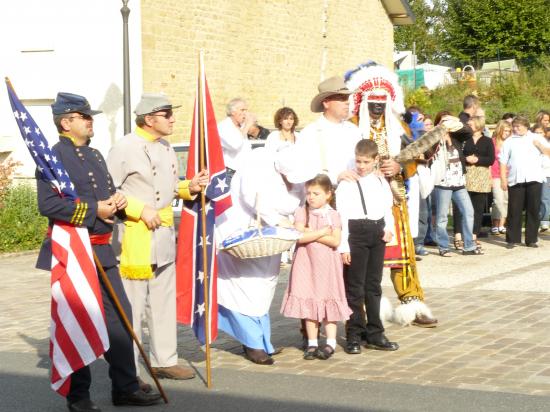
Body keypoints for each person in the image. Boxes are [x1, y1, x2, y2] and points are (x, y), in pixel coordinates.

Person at [36, 92, 161, 412]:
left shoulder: (94, 155)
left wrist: (116, 204)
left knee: (120, 317)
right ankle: (79, 396)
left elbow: (106, 198)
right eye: (84, 116)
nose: (91, 121)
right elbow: (49, 205)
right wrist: (96, 209)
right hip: (75, 254)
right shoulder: (51, 158)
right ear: (66, 122)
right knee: (77, 319)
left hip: (102, 251)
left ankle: (126, 387)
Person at [107, 94, 208, 383]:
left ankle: (164, 360)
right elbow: (108, 191)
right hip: (134, 238)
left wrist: (191, 186)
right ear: (149, 119)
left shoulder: (164, 147)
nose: (172, 119)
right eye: (167, 114)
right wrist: (140, 210)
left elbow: (168, 189)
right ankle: (130, 370)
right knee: (133, 307)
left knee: (163, 303)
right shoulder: (124, 148)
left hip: (163, 235)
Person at [345, 62, 437, 327]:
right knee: (363, 255)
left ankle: (412, 302)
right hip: (361, 202)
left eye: (382, 102)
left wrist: (399, 166)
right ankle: (366, 306)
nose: (377, 108)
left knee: (404, 252)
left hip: (395, 200)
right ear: (362, 102)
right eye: (372, 102)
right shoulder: (351, 127)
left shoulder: (399, 128)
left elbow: (415, 157)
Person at [216, 147, 310, 365]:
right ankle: (252, 343)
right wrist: (277, 221)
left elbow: (298, 200)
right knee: (244, 288)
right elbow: (252, 198)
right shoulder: (256, 162)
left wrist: (292, 223)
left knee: (264, 287)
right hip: (243, 233)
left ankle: (262, 339)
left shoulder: (296, 174)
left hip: (270, 240)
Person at [336, 139, 398, 354]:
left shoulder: (380, 181)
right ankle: (354, 334)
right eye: (358, 161)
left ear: (375, 160)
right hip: (356, 233)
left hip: (377, 231)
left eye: (365, 162)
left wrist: (389, 228)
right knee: (355, 287)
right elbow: (341, 217)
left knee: (373, 285)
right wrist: (344, 246)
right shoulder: (347, 183)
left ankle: (375, 332)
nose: (361, 166)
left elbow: (388, 207)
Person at [280, 174, 351, 360]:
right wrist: (319, 232)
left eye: (316, 193)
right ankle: (312, 342)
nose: (311, 197)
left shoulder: (333, 215)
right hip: (306, 262)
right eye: (309, 193)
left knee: (328, 300)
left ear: (328, 194)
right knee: (309, 300)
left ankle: (330, 342)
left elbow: (335, 240)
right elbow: (299, 237)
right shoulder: (302, 212)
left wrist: (309, 232)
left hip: (328, 264)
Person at [296, 76, 361, 185]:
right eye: (341, 98)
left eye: (347, 98)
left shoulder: (354, 131)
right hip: (327, 198)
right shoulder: (309, 133)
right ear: (326, 103)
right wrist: (335, 177)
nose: (347, 102)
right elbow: (302, 170)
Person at [431, 111, 480, 257]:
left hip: (458, 182)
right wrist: (440, 135)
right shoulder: (433, 139)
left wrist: (454, 120)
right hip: (443, 182)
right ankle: (443, 246)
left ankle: (469, 245)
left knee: (469, 212)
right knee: (442, 217)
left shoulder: (457, 136)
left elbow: (468, 131)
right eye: (443, 121)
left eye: (447, 122)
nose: (446, 125)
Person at [500, 116, 550, 248]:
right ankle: (512, 239)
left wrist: (539, 145)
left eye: (518, 126)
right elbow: (503, 161)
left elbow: (548, 152)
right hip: (516, 179)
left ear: (526, 126)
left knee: (533, 209)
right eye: (514, 127)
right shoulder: (509, 141)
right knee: (514, 209)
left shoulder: (537, 138)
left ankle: (531, 238)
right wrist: (503, 179)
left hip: (534, 177)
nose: (516, 129)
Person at [463, 113, 495, 250]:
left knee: (478, 208)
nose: (468, 126)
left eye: (470, 124)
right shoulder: (465, 139)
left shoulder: (487, 141)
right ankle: (464, 235)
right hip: (467, 174)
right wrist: (466, 159)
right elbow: (460, 154)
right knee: (465, 207)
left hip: (481, 175)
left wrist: (478, 160)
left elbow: (491, 159)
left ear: (478, 126)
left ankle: (474, 235)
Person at [217, 98, 255, 186]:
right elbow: (235, 145)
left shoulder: (241, 127)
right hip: (231, 174)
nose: (245, 113)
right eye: (242, 110)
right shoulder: (223, 126)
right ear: (233, 112)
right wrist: (247, 126)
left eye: (246, 110)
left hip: (244, 173)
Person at [490, 120, 512, 235]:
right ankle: (495, 224)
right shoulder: (492, 142)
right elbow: (490, 160)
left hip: (509, 175)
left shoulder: (511, 143)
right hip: (495, 175)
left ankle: (503, 224)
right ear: (500, 129)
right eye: (505, 130)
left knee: (506, 200)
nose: (507, 133)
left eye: (509, 131)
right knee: (497, 200)